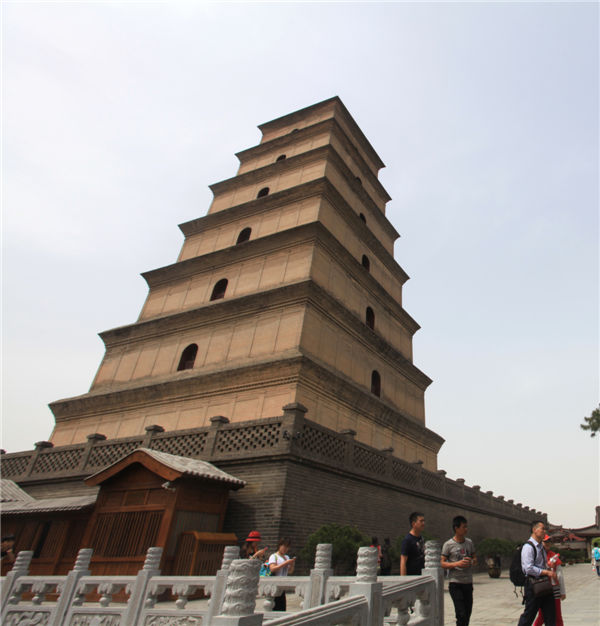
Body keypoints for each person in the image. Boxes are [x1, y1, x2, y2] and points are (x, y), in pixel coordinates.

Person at [517, 520, 557, 626]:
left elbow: (541, 565)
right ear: (534, 530)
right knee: (529, 615)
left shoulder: (541, 547)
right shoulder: (528, 547)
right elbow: (528, 568)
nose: (544, 531)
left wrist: (549, 566)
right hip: (533, 585)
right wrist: (546, 572)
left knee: (551, 616)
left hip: (544, 584)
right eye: (542, 529)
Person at [441, 515, 477, 626]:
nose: (466, 529)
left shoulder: (469, 543)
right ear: (456, 528)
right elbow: (442, 563)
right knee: (461, 613)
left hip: (468, 583)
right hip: (455, 583)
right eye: (464, 527)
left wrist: (471, 561)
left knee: (467, 614)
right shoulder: (448, 544)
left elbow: (475, 558)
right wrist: (457, 564)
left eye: (466, 527)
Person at [533, 535, 565, 626]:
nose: (547, 544)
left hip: (554, 588)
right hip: (542, 588)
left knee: (557, 615)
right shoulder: (537, 556)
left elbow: (560, 575)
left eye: (548, 542)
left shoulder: (553, 556)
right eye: (545, 542)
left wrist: (562, 591)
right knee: (542, 616)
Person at [268, 537, 296, 611]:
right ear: (280, 545)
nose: (285, 549)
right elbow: (272, 568)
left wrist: (292, 564)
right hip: (275, 584)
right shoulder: (274, 556)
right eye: (284, 546)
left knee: (282, 607)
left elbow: (290, 571)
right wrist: (285, 563)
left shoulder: (286, 557)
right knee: (274, 606)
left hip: (283, 585)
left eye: (287, 547)